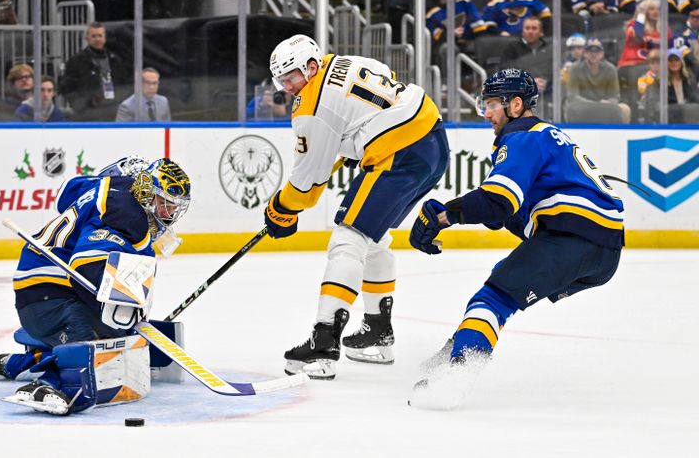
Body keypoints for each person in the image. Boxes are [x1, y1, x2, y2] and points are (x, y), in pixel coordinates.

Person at [407, 68, 625, 410]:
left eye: (492, 104)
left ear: (517, 104)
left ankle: (457, 372)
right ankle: (460, 343)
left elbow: (498, 200)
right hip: (605, 253)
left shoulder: (521, 136)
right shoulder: (550, 135)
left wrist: (443, 216)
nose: (487, 113)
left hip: (573, 238)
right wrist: (491, 214)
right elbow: (510, 212)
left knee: (493, 298)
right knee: (508, 274)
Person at [265, 34, 449, 379]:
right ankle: (377, 335)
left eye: (291, 76)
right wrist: (356, 143)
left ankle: (323, 345)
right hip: (433, 141)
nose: (287, 86)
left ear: (311, 66)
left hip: (399, 152)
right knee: (372, 239)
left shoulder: (310, 108)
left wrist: (280, 208)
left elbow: (308, 184)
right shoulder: (346, 61)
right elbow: (377, 90)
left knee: (348, 239)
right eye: (281, 80)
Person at [0, 157, 191, 415]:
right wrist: (119, 307)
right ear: (148, 192)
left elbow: (67, 192)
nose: (169, 214)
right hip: (49, 295)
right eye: (165, 204)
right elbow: (84, 264)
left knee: (118, 339)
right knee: (101, 346)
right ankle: (51, 383)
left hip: (42, 290)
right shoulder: (129, 216)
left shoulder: (112, 186)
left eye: (174, 207)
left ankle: (22, 362)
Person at [59, 22, 129, 120]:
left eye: (100, 36)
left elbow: (124, 84)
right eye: (93, 36)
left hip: (112, 110)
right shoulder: (76, 61)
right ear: (86, 38)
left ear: (105, 38)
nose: (97, 39)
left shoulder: (115, 60)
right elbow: (67, 87)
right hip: (87, 112)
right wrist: (81, 105)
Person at [566, 38, 630, 122]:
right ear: (585, 54)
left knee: (625, 109)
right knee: (570, 107)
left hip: (605, 106)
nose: (593, 54)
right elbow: (572, 96)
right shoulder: (574, 68)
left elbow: (615, 96)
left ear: (602, 54)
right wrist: (593, 104)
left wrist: (607, 102)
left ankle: (620, 134)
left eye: (597, 51)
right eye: (590, 51)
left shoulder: (611, 69)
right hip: (583, 106)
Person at [500, 17, 553, 97]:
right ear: (522, 31)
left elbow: (554, 68)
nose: (530, 31)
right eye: (527, 28)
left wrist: (546, 81)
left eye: (534, 28)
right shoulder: (512, 47)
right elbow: (506, 69)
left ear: (541, 32)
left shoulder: (548, 48)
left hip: (546, 89)